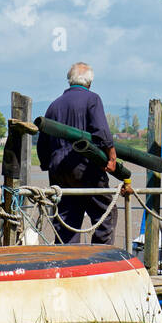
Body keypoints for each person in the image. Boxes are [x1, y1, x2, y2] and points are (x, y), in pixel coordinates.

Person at [36, 62, 119, 245]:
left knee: (66, 219)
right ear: (89, 83)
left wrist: (46, 164)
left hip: (59, 171)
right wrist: (111, 156)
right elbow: (102, 132)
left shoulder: (54, 105)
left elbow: (42, 142)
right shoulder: (92, 99)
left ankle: (68, 262)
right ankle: (100, 258)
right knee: (105, 213)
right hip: (86, 167)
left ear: (69, 80)